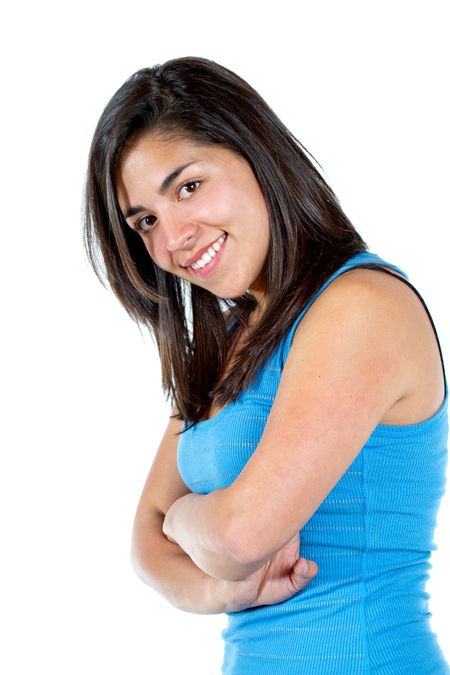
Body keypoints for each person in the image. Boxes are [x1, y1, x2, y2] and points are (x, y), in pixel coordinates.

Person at [83, 56, 449, 674]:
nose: (172, 237)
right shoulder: (230, 338)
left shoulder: (360, 307)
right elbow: (145, 544)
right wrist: (225, 591)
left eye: (188, 187)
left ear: (257, 154)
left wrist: (186, 517)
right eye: (145, 220)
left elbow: (237, 536)